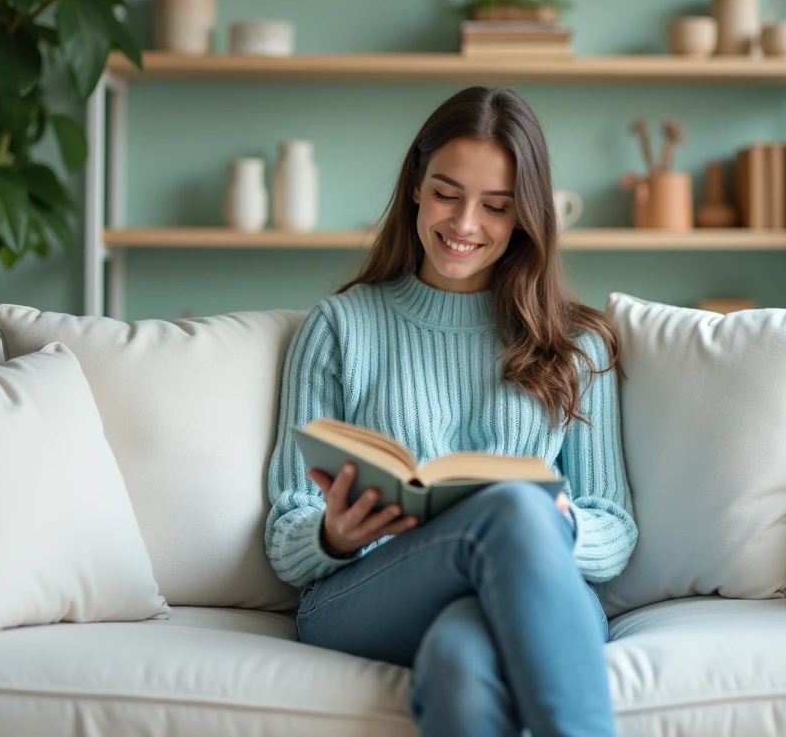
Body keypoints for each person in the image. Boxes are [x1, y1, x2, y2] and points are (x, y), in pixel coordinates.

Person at [264, 85, 637, 737]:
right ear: (415, 185)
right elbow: (285, 529)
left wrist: (555, 526)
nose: (465, 225)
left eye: (495, 206)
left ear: (525, 216)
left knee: (461, 662)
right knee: (513, 507)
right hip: (370, 594)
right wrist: (333, 535)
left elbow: (614, 527)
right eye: (446, 194)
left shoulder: (576, 343)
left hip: (534, 591)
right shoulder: (341, 328)